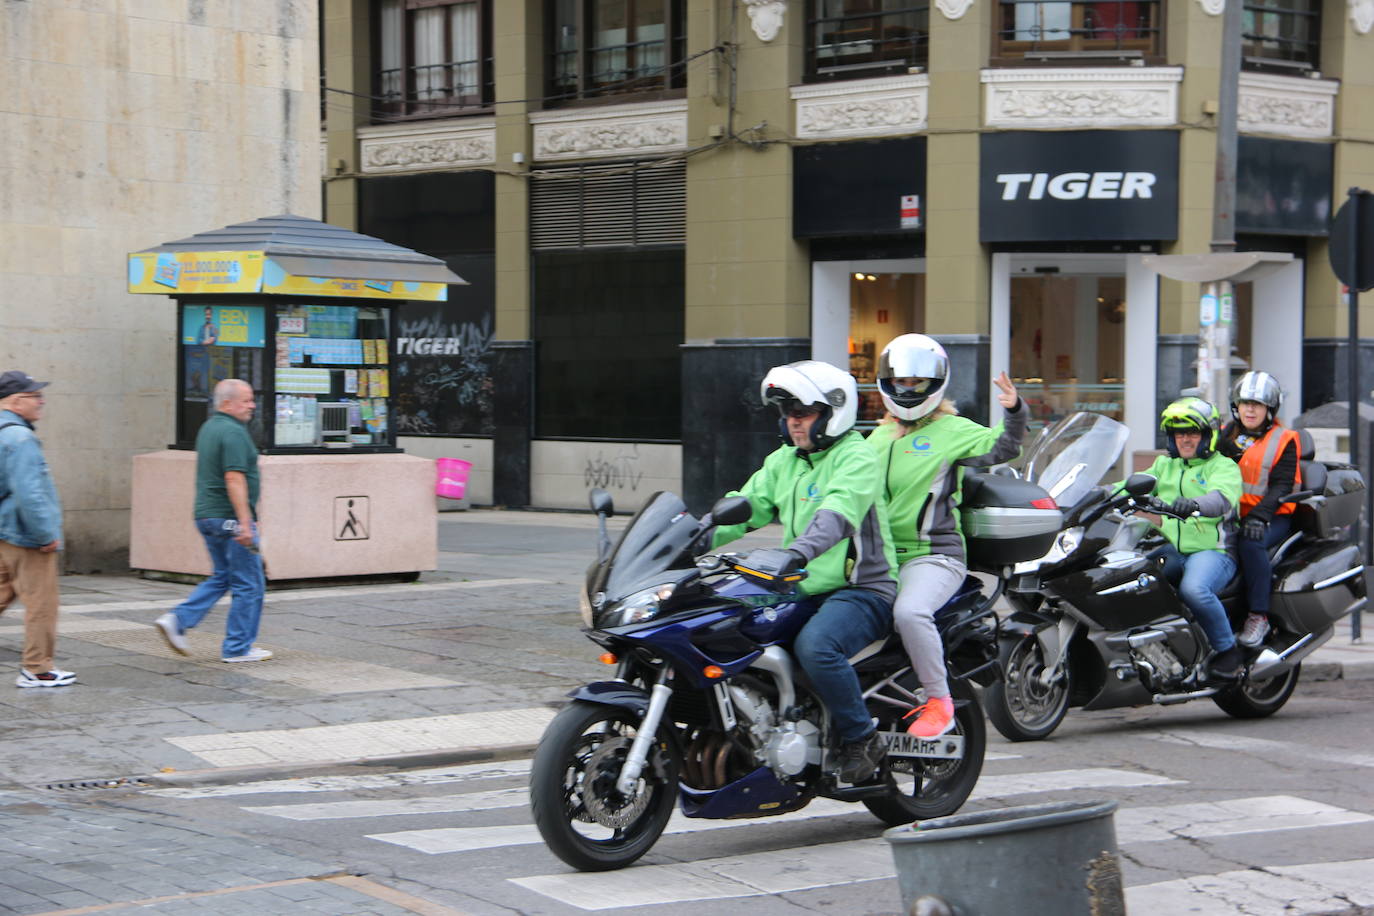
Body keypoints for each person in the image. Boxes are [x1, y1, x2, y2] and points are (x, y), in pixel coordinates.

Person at [711, 360, 898, 784]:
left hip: (862, 589)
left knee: (816, 646)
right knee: (729, 623)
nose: (793, 422)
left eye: (803, 413)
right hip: (800, 586)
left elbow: (837, 514)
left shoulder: (857, 457)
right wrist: (688, 540)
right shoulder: (785, 461)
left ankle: (861, 737)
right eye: (787, 413)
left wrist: (795, 552)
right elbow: (745, 506)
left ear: (834, 411)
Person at [866, 334, 1027, 738]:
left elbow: (1003, 447)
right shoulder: (877, 437)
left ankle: (939, 701)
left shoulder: (951, 430)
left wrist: (1015, 412)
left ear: (935, 384)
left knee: (910, 613)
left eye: (916, 382)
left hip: (933, 556)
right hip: (879, 558)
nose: (907, 389)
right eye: (900, 381)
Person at [154, 379, 272, 663]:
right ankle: (238, 648)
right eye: (246, 400)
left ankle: (177, 620)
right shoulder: (233, 432)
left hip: (207, 516)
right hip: (230, 520)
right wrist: (245, 522)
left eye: (252, 399)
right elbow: (234, 477)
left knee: (223, 577)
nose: (252, 405)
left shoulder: (209, 428)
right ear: (226, 403)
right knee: (249, 584)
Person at [1137, 396, 1245, 678]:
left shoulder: (1222, 466)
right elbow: (1133, 484)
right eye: (1178, 433)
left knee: (1193, 590)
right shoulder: (1165, 466)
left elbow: (1222, 498)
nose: (1185, 439)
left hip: (1213, 552)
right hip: (1172, 549)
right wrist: (1096, 495)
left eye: (1192, 432)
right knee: (1132, 580)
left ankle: (1228, 652)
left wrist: (1195, 504)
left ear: (1207, 435)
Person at [0, 371, 75, 688]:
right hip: (26, 537)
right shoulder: (20, 439)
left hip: (4, 532)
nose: (41, 401)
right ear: (16, 401)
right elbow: (29, 494)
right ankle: (38, 668)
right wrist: (46, 535)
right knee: (42, 605)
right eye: (35, 395)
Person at [1218, 371, 1300, 648]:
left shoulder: (1283, 439)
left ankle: (1258, 615)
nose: (1250, 409)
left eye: (1258, 404)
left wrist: (1258, 516)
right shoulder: (1223, 435)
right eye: (1245, 403)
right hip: (1228, 513)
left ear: (1270, 409)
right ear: (1236, 407)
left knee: (1249, 544)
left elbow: (1282, 486)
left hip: (1271, 515)